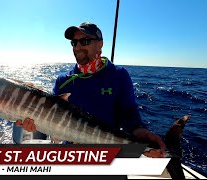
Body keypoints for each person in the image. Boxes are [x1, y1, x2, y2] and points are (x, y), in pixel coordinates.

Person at [16, 22, 166, 156]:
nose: (78, 47)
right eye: (74, 43)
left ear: (100, 44)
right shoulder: (63, 80)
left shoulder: (118, 75)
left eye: (85, 41)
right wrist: (36, 124)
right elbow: (52, 118)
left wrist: (138, 130)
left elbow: (128, 112)